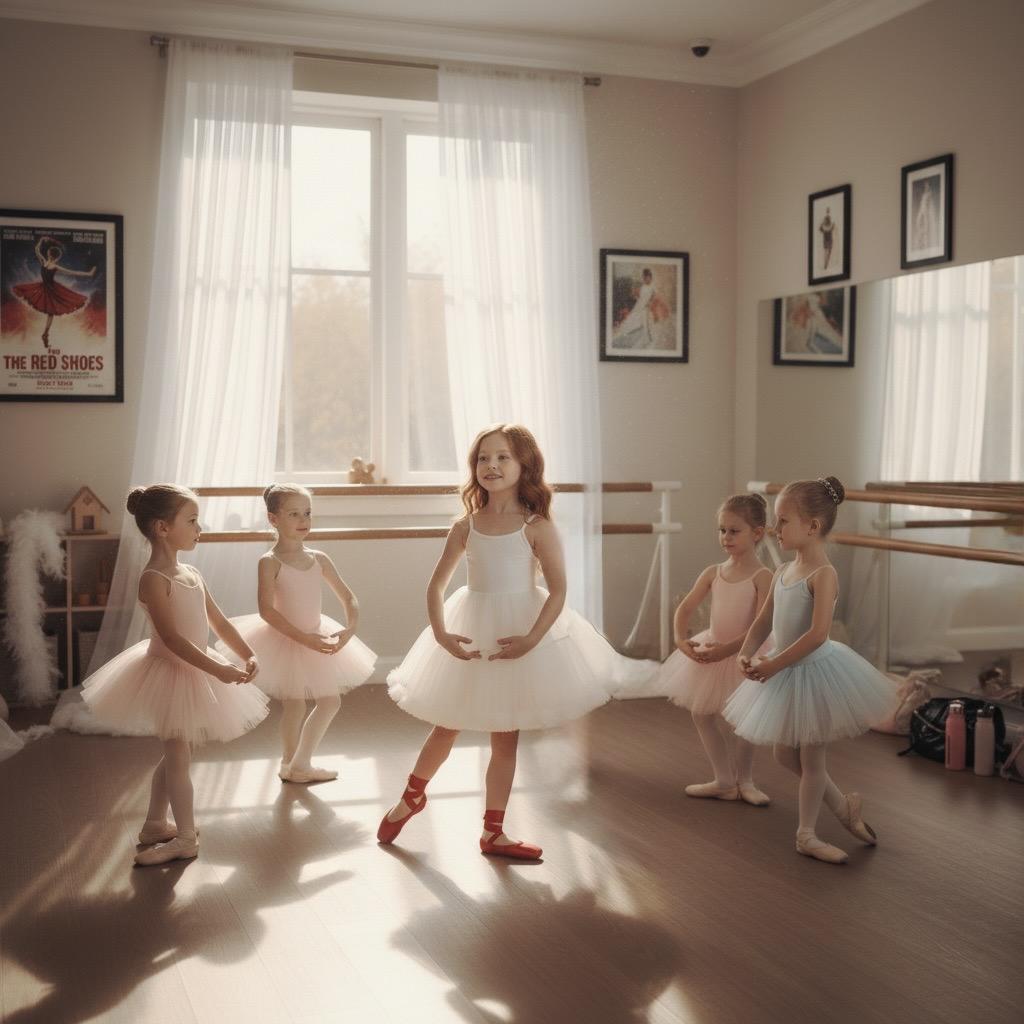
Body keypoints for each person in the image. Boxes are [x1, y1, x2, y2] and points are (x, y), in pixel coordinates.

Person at [379, 423, 650, 860]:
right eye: (483, 458)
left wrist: (531, 640)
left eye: (503, 456)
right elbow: (434, 588)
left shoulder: (536, 527)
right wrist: (443, 635)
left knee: (505, 737)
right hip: (470, 627)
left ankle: (493, 831)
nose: (491, 465)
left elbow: (559, 590)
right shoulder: (466, 527)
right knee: (446, 724)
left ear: (524, 465)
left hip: (519, 632)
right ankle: (413, 795)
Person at [82, 485, 267, 865]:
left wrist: (248, 653)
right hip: (172, 672)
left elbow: (218, 620)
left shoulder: (191, 572)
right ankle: (185, 837)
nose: (201, 527)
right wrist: (219, 669)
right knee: (179, 754)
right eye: (193, 520)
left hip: (195, 670)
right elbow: (173, 639)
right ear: (163, 528)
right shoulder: (153, 579)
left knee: (178, 753)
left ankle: (154, 823)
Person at [723, 477, 893, 864]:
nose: (774, 529)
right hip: (782, 671)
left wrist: (774, 664)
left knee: (814, 761)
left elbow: (818, 635)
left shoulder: (824, 574)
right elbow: (764, 620)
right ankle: (843, 806)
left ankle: (807, 835)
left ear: (812, 527)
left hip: (813, 673)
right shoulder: (783, 570)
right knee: (786, 756)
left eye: (783, 521)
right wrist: (746, 654)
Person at [226, 484, 376, 784]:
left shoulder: (319, 558)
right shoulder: (269, 562)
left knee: (325, 702)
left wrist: (351, 627)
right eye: (293, 513)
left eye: (307, 513)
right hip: (288, 638)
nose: (303, 520)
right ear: (274, 519)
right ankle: (294, 764)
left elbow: (349, 597)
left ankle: (296, 763)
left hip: (318, 635)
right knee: (298, 704)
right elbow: (267, 611)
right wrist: (304, 639)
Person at [659, 494, 773, 805]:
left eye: (734, 531)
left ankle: (745, 780)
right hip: (714, 648)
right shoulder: (713, 572)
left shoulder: (763, 577)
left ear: (758, 533)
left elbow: (760, 626)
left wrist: (729, 652)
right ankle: (723, 779)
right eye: (722, 530)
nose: (725, 537)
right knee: (701, 714)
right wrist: (681, 641)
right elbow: (684, 609)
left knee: (745, 721)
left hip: (746, 653)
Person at [13, 235, 96, 347]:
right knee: (50, 312)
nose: (51, 256)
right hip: (46, 288)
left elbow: (37, 250)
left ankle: (46, 334)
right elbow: (72, 272)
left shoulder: (47, 263)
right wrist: (40, 241)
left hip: (51, 290)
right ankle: (46, 334)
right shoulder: (48, 263)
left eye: (49, 254)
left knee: (51, 312)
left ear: (49, 255)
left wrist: (41, 241)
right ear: (54, 256)